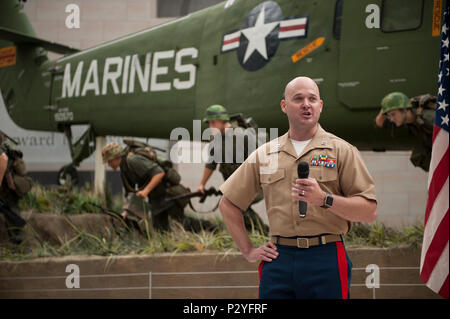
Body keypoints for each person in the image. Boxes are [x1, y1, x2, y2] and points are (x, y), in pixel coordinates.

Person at [219, 76, 378, 299]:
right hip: (278, 259)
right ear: (284, 106)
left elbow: (369, 211)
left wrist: (325, 199)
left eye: (312, 99)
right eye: (298, 98)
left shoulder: (342, 150)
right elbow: (228, 203)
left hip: (326, 257)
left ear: (320, 106)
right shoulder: (266, 154)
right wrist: (248, 250)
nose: (306, 104)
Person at [102, 142, 215, 232]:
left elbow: (159, 173)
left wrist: (146, 191)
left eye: (109, 161)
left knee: (182, 222)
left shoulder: (133, 160)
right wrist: (126, 212)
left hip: (168, 193)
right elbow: (130, 192)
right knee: (160, 229)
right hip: (156, 199)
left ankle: (211, 227)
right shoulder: (124, 169)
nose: (109, 164)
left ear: (116, 157)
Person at [197, 104, 269, 235]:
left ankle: (264, 232)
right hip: (237, 187)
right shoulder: (216, 140)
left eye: (212, 123)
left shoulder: (242, 135)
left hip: (255, 185)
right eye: (209, 123)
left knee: (233, 204)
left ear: (223, 121)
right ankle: (248, 238)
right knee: (234, 206)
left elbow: (261, 159)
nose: (210, 127)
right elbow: (211, 164)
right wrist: (202, 184)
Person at [375, 92, 436, 171]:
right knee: (418, 156)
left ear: (405, 110)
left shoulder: (428, 117)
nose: (392, 119)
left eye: (393, 114)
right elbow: (380, 123)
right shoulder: (405, 119)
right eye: (389, 115)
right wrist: (385, 107)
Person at [0, 131, 31, 244]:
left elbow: (5, 169)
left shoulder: (3, 152)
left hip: (8, 186)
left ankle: (18, 240)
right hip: (10, 184)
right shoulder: (8, 147)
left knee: (11, 211)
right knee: (11, 209)